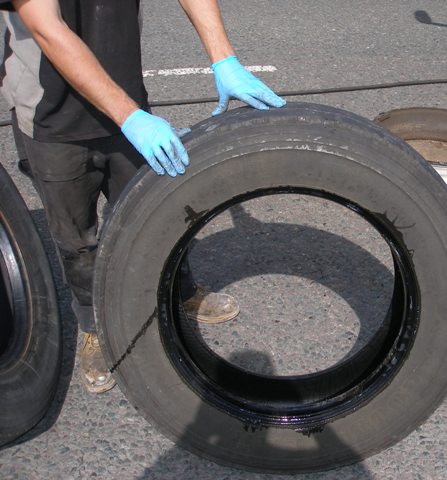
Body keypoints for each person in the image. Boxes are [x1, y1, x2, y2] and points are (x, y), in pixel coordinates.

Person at [0, 0, 286, 393]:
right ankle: (96, 325)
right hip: (53, 120)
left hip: (127, 99)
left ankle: (177, 291)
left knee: (158, 215)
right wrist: (129, 117)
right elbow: (47, 27)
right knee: (78, 239)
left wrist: (224, 59)